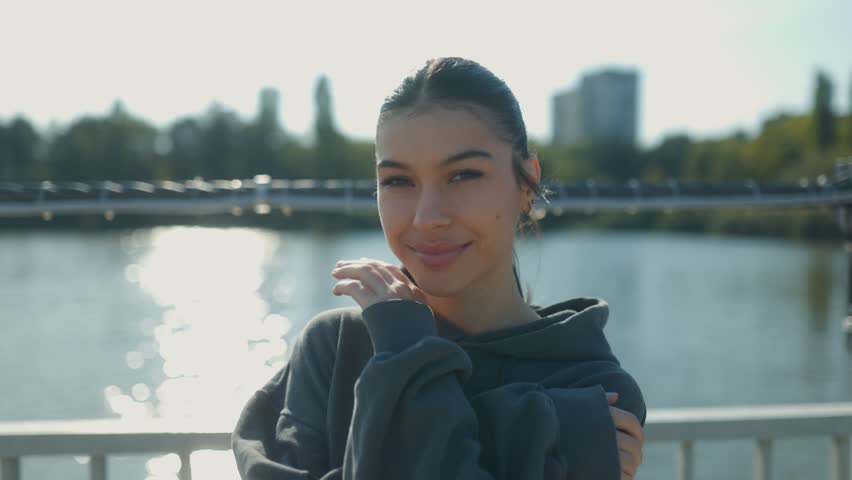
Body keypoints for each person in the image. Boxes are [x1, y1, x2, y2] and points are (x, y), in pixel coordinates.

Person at [231, 57, 646, 480]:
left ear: (526, 183)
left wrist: (404, 356)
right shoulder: (336, 348)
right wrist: (532, 438)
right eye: (398, 181)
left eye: (463, 174)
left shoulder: (596, 385)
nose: (427, 217)